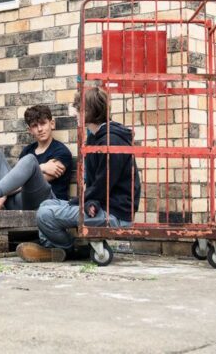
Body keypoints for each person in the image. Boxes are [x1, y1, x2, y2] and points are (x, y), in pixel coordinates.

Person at [16, 87, 141, 262]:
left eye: (78, 107)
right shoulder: (95, 138)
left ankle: (70, 249)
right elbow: (98, 186)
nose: (74, 112)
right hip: (102, 207)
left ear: (89, 111)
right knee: (46, 204)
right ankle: (54, 249)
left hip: (115, 215)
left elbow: (103, 185)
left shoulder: (111, 141)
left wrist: (77, 202)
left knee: (44, 214)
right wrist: (86, 201)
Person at [0, 104, 73, 211]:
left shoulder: (61, 152)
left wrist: (2, 194)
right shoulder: (28, 150)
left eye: (43, 123)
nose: (40, 129)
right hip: (19, 200)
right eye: (34, 126)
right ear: (30, 130)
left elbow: (33, 182)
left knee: (30, 160)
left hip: (45, 203)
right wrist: (42, 166)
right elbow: (17, 179)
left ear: (51, 124)